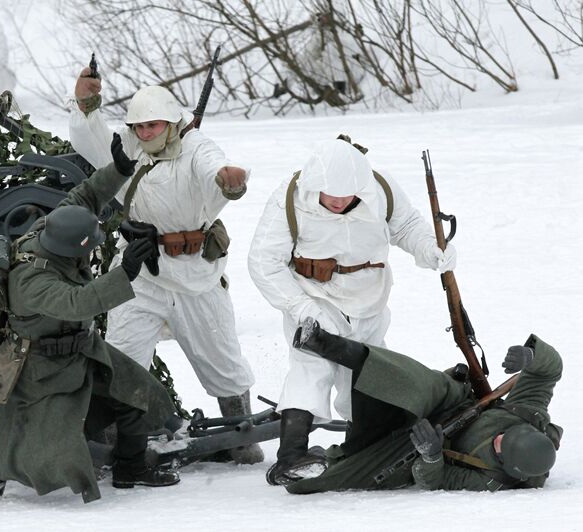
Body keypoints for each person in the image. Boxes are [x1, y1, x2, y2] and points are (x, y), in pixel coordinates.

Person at [67, 67, 263, 464]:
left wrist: (231, 181)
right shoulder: (128, 148)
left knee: (222, 358)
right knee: (120, 356)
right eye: (138, 126)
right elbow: (93, 141)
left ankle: (241, 436)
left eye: (153, 125)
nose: (145, 133)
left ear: (171, 123)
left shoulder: (196, 147)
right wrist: (87, 104)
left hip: (195, 275)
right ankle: (115, 441)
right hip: (141, 274)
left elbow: (216, 168)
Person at [0, 134, 180, 503]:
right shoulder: (32, 280)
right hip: (40, 368)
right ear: (75, 250)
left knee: (136, 394)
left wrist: (118, 170)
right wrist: (126, 273)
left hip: (82, 350)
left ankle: (131, 469)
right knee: (47, 444)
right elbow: (78, 302)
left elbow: (84, 199)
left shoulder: (50, 228)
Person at [248, 137, 457, 484]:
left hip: (369, 301)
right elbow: (263, 261)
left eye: (346, 194)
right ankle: (292, 456)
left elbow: (407, 227)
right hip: (314, 299)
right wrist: (303, 308)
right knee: (310, 369)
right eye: (329, 194)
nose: (338, 201)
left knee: (370, 376)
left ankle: (364, 450)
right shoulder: (290, 197)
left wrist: (431, 249)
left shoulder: (381, 190)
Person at [280, 318, 562, 493]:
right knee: (413, 381)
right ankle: (323, 342)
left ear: (508, 466)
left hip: (423, 443)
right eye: (506, 434)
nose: (499, 438)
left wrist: (431, 456)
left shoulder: (490, 480)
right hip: (452, 402)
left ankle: (301, 470)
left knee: (349, 475)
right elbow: (549, 371)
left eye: (501, 446)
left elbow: (436, 479)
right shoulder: (529, 416)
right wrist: (531, 357)